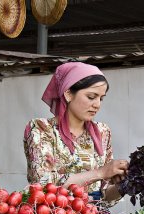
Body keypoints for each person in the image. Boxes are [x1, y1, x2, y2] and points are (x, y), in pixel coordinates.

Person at [23, 61, 128, 205]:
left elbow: (104, 196)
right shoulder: (41, 128)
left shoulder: (103, 132)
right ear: (68, 94)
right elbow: (43, 184)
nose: (97, 104)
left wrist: (125, 184)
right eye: (91, 97)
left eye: (101, 98)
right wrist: (100, 173)